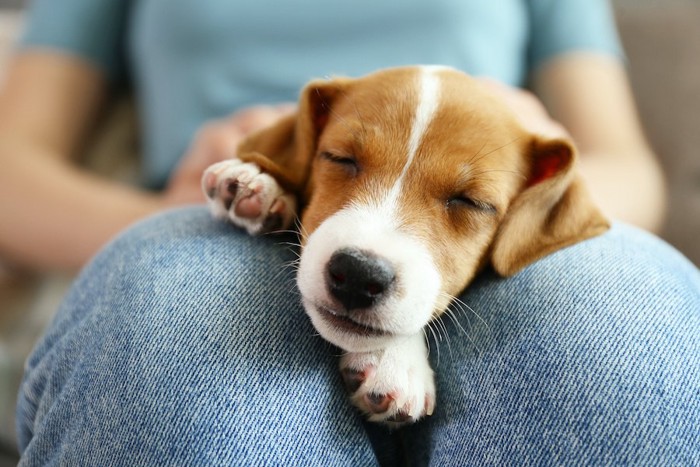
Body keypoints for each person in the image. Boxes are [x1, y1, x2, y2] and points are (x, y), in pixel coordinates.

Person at [2, 0, 698, 465]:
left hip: (506, 231)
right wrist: (173, 209)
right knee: (176, 378)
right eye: (338, 156)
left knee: (622, 354)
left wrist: (525, 174)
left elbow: (631, 170)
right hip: (214, 217)